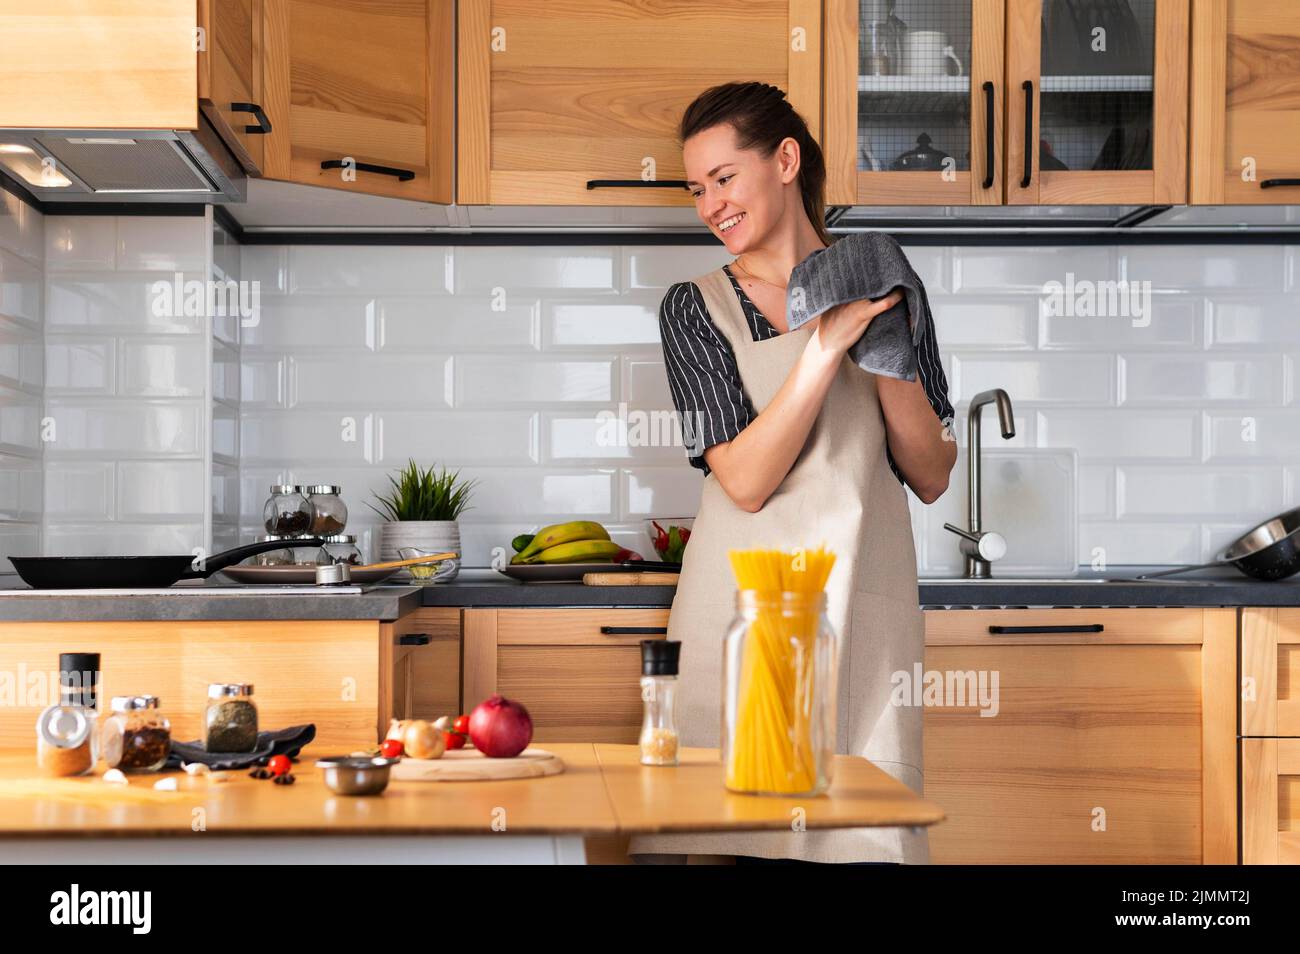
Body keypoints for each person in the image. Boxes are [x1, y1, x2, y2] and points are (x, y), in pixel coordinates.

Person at [628, 82, 957, 865]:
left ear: (784, 160)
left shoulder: (884, 283)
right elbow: (744, 479)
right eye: (697, 188)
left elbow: (932, 470)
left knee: (866, 841)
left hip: (859, 614)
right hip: (742, 619)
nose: (710, 204)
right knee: (733, 841)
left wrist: (884, 341)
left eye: (723, 178)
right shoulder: (694, 307)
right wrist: (824, 347)